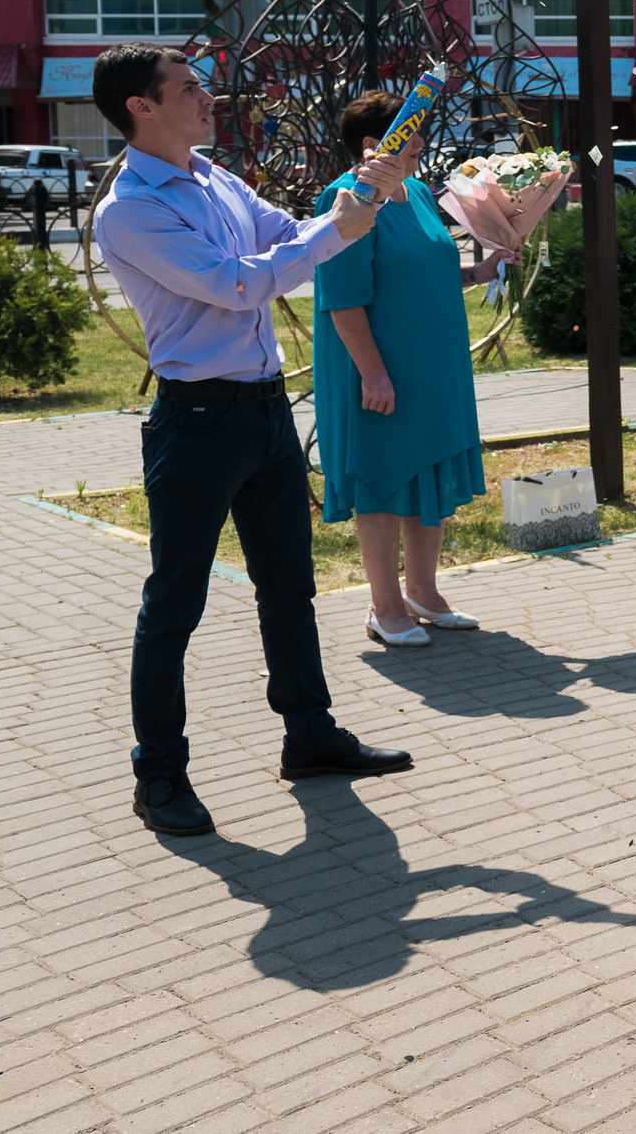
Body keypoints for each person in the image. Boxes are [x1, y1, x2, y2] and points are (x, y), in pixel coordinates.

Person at [90, 44, 413, 838]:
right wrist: (339, 225)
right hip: (198, 420)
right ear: (141, 106)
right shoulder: (130, 209)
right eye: (189, 88)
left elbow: (292, 234)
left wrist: (366, 188)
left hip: (265, 412)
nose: (209, 97)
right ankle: (159, 774)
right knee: (175, 603)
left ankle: (310, 736)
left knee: (289, 586)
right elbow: (238, 284)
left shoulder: (214, 177)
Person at [311, 91, 505, 648]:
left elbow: (429, 270)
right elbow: (340, 298)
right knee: (381, 476)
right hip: (379, 366)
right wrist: (373, 373)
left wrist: (481, 270)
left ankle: (423, 592)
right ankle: (385, 605)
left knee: (428, 471)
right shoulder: (348, 198)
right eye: (411, 132)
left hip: (433, 363)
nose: (421, 142)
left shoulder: (416, 191)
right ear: (374, 144)